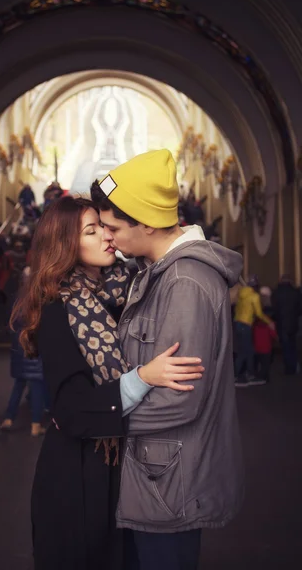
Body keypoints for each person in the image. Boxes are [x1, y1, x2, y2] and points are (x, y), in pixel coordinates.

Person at [13, 196, 205, 570]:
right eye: (91, 230)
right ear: (65, 244)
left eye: (104, 226)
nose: (106, 236)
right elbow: (71, 410)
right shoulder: (59, 310)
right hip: (79, 475)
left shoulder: (129, 291)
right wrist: (144, 377)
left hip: (130, 466)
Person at [90, 148, 244, 570]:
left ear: (146, 222)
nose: (108, 237)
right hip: (157, 472)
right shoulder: (161, 272)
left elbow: (181, 398)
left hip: (169, 481)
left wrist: (98, 420)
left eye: (113, 227)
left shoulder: (184, 282)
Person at [0, 269, 49, 437]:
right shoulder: (40, 299)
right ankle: (35, 425)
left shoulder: (16, 299)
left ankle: (8, 418)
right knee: (37, 388)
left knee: (18, 386)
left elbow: (10, 325)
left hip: (18, 348)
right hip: (34, 349)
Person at [233, 274, 275, 387]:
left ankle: (241, 374)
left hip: (237, 323)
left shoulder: (241, 293)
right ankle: (245, 375)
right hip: (246, 325)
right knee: (248, 352)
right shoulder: (254, 296)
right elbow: (259, 314)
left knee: (244, 351)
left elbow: (237, 309)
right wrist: (269, 322)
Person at [271, 274, 302, 375]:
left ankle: (289, 368)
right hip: (293, 323)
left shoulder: (276, 292)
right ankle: (294, 365)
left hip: (282, 323)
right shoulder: (296, 292)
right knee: (292, 345)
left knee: (285, 346)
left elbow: (274, 309)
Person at [253, 313, 277, 384]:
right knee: (265, 364)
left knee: (259, 363)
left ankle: (261, 376)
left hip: (257, 348)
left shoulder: (255, 326)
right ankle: (262, 377)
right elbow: (274, 335)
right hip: (267, 348)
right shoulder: (269, 326)